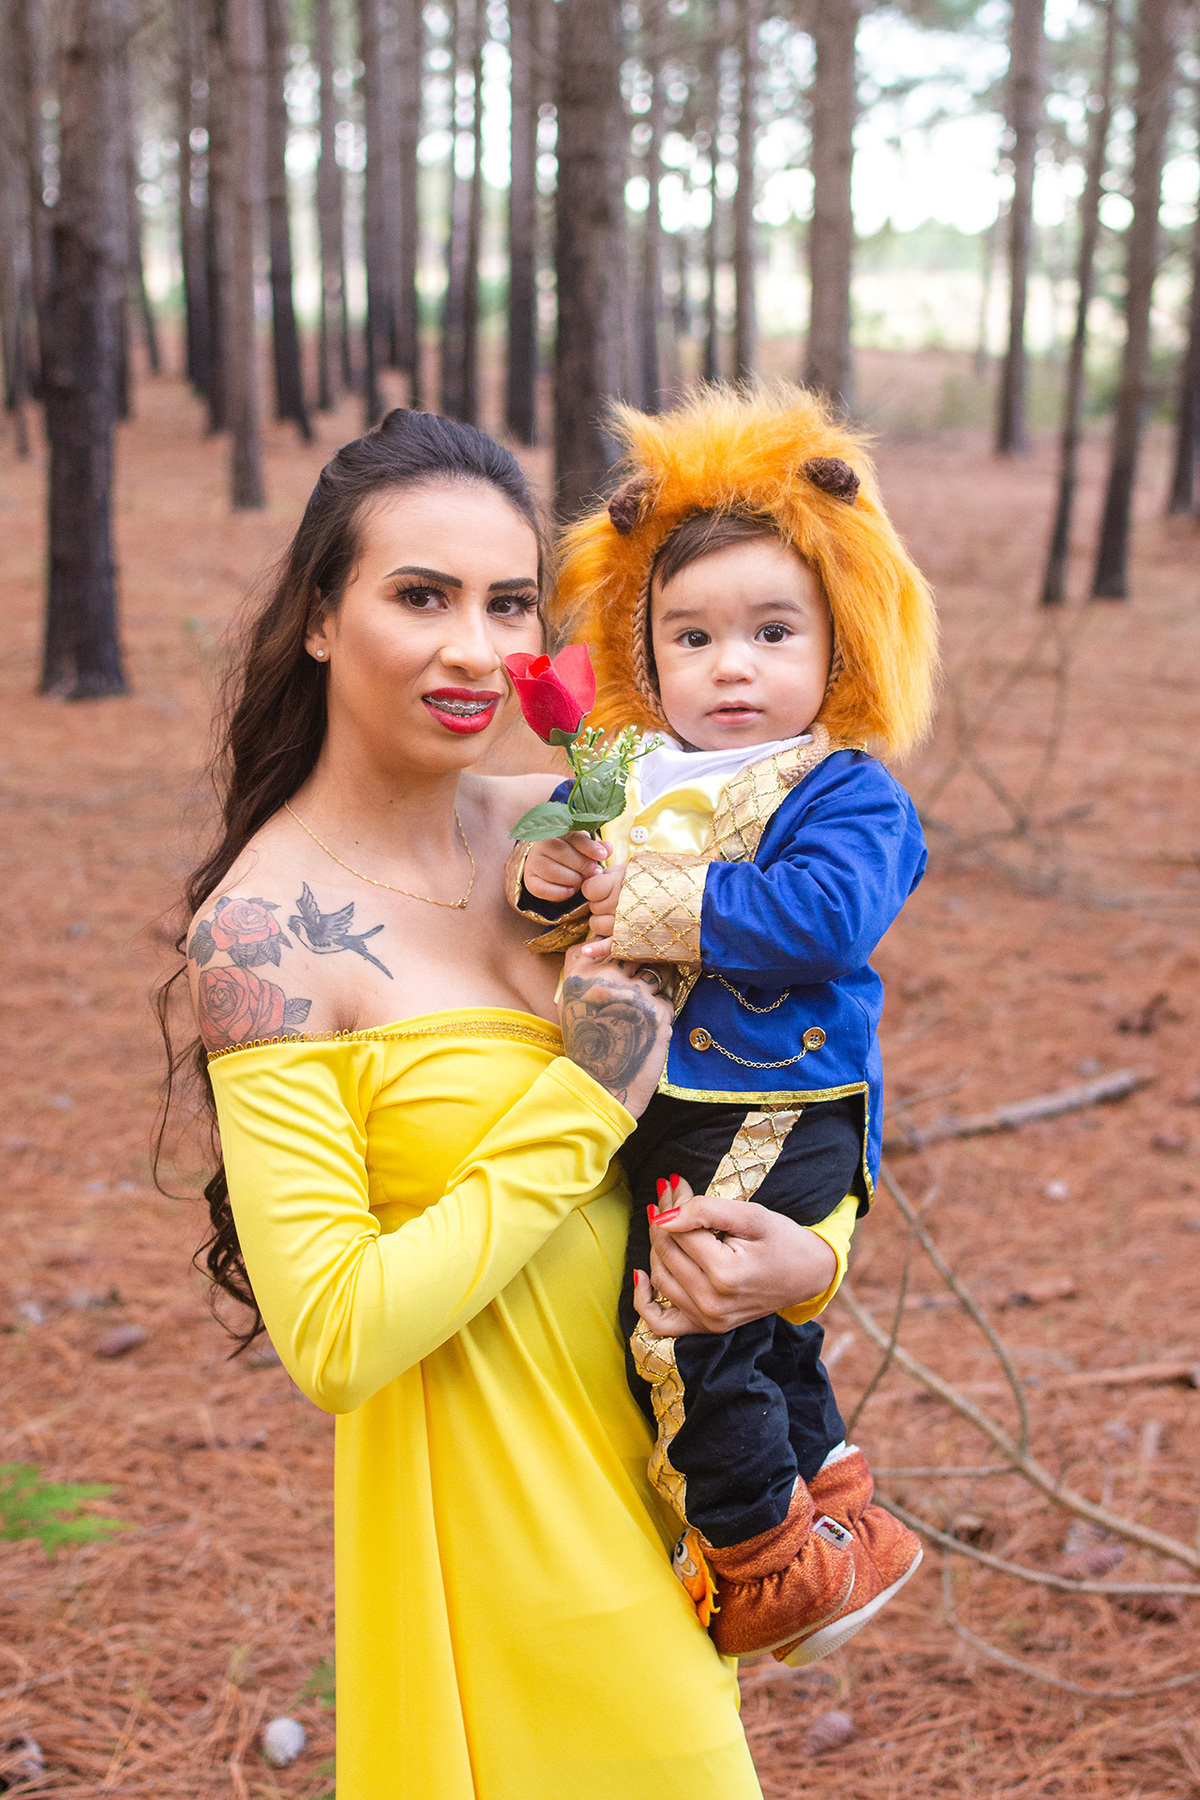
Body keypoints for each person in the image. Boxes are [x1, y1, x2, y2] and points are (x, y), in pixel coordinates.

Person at [160, 408, 838, 1800]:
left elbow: (786, 1090)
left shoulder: (584, 832)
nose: (476, 648)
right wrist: (588, 1092)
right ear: (318, 619)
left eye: (508, 602)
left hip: (666, 1488)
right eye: (422, 597)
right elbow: (334, 1335)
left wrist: (812, 1260)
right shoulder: (264, 934)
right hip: (496, 1541)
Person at [507, 383, 938, 1665]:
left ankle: (765, 1566)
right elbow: (573, 910)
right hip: (672, 1100)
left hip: (773, 1100)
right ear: (642, 654)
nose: (731, 665)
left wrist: (647, 895)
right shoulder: (632, 772)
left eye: (771, 631)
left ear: (839, 645)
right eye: (690, 637)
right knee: (745, 1322)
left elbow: (826, 918)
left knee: (684, 1320)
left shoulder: (846, 791)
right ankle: (845, 1513)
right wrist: (554, 885)